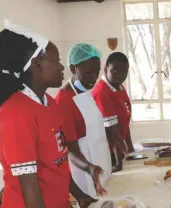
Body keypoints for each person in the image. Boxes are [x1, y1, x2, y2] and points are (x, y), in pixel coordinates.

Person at [0, 20, 95, 208]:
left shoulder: (49, 103)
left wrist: (80, 195)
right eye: (56, 60)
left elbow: (58, 163)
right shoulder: (15, 114)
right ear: (36, 64)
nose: (62, 67)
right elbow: (29, 188)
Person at [55, 43, 111, 198]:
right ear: (73, 69)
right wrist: (90, 168)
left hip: (99, 163)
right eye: (88, 73)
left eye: (97, 72)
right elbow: (71, 151)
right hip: (85, 171)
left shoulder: (85, 92)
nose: (94, 78)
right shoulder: (64, 100)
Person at [92, 52, 133, 173]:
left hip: (118, 151)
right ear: (105, 69)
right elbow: (111, 130)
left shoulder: (118, 86)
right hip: (108, 153)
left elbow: (124, 119)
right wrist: (120, 159)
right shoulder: (102, 91)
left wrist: (129, 146)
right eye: (114, 70)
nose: (120, 75)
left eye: (124, 71)